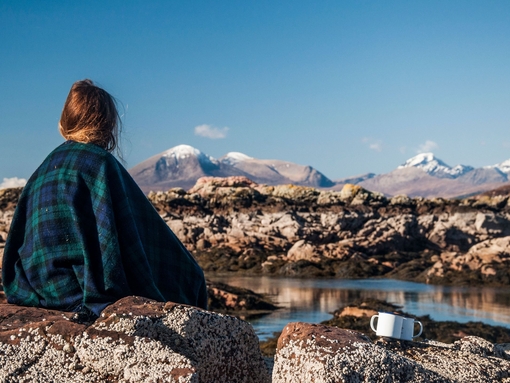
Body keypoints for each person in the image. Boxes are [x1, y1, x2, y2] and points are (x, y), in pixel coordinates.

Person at [2, 79, 207, 321]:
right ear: (108, 126)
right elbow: (139, 235)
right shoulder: (100, 164)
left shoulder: (43, 169)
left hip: (39, 289)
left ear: (63, 124)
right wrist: (192, 277)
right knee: (192, 277)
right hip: (81, 294)